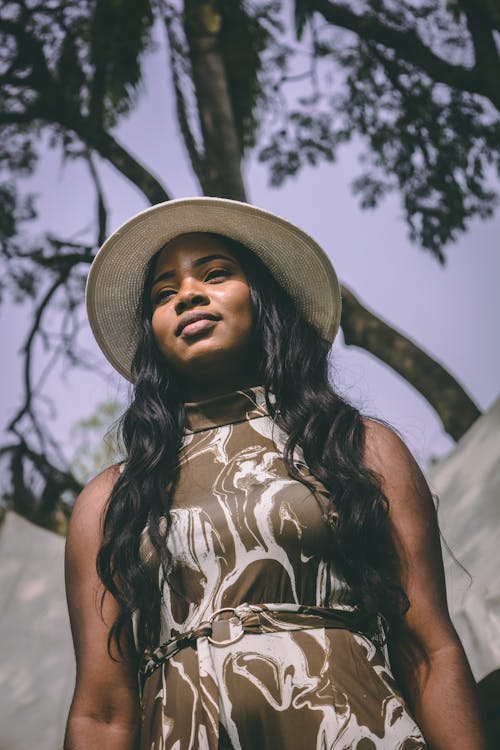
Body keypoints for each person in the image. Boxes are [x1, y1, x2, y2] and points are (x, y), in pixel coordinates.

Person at [64, 197, 487, 750]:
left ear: (262, 300)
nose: (188, 294)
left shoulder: (357, 447)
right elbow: (101, 712)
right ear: (152, 333)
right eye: (163, 294)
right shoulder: (111, 500)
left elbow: (430, 651)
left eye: (216, 274)